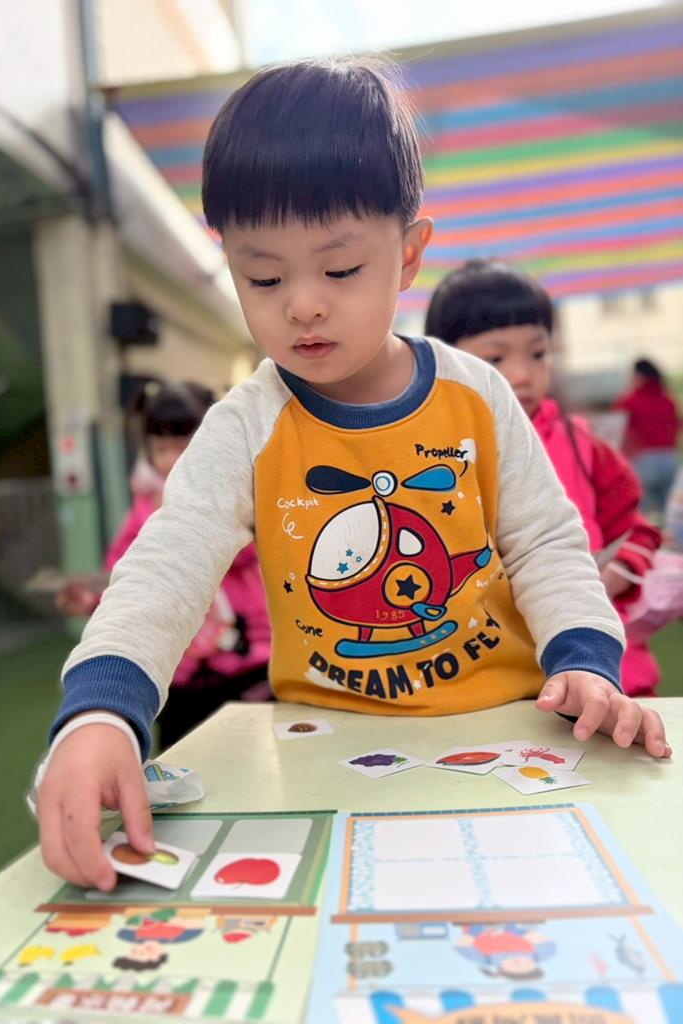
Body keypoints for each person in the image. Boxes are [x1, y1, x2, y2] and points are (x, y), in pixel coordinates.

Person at [37, 57, 670, 892]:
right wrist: (99, 710)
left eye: (339, 270)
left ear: (408, 255)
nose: (302, 303)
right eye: (263, 276)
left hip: (510, 729)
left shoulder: (475, 395)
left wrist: (584, 658)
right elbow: (165, 566)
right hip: (329, 749)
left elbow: (547, 543)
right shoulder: (245, 426)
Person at [425, 259, 662, 696]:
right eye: (495, 358)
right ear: (444, 364)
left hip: (597, 667)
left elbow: (638, 532)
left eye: (537, 354)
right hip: (487, 674)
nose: (522, 374)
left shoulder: (584, 446)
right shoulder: (433, 459)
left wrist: (610, 579)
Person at [57, 381, 271, 748]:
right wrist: (92, 600)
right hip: (179, 674)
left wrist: (193, 519)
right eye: (160, 449)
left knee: (261, 755)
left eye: (183, 447)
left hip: (248, 663)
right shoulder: (144, 508)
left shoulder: (241, 492)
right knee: (182, 762)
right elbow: (129, 582)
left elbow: (248, 553)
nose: (172, 460)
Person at [615, 357, 680, 516]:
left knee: (640, 514)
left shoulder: (628, 402)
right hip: (670, 459)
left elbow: (621, 435)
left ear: (639, 376)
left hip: (643, 461)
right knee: (671, 513)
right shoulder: (668, 400)